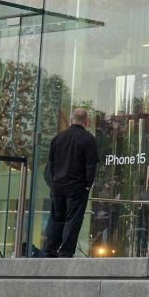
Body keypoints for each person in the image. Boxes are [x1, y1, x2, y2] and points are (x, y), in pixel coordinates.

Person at [44, 108, 98, 258]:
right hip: (77, 186)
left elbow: (51, 165)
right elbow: (90, 165)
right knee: (72, 219)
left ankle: (50, 249)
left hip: (58, 185)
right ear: (87, 122)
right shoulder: (89, 139)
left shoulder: (57, 139)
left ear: (72, 119)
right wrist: (88, 184)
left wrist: (54, 181)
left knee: (56, 218)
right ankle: (65, 252)